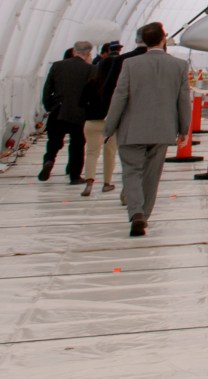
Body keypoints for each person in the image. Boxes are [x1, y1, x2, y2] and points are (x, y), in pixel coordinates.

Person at [102, 21, 191, 237]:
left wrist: (108, 128)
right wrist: (184, 130)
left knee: (131, 172)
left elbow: (119, 97)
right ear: (163, 39)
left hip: (132, 130)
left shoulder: (131, 65)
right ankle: (145, 214)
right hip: (162, 130)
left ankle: (136, 213)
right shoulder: (179, 66)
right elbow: (183, 100)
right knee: (152, 175)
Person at [38, 42, 94, 184]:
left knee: (54, 141)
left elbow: (47, 89)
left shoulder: (57, 66)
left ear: (74, 51)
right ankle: (74, 175)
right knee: (77, 144)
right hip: (78, 112)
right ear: (88, 53)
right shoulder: (91, 69)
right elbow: (93, 92)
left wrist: (49, 106)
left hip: (58, 110)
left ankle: (49, 160)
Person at [77, 41, 127, 195]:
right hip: (110, 122)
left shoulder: (92, 83)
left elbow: (81, 102)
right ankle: (107, 183)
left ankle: (89, 182)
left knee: (92, 152)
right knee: (110, 152)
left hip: (92, 122)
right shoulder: (116, 86)